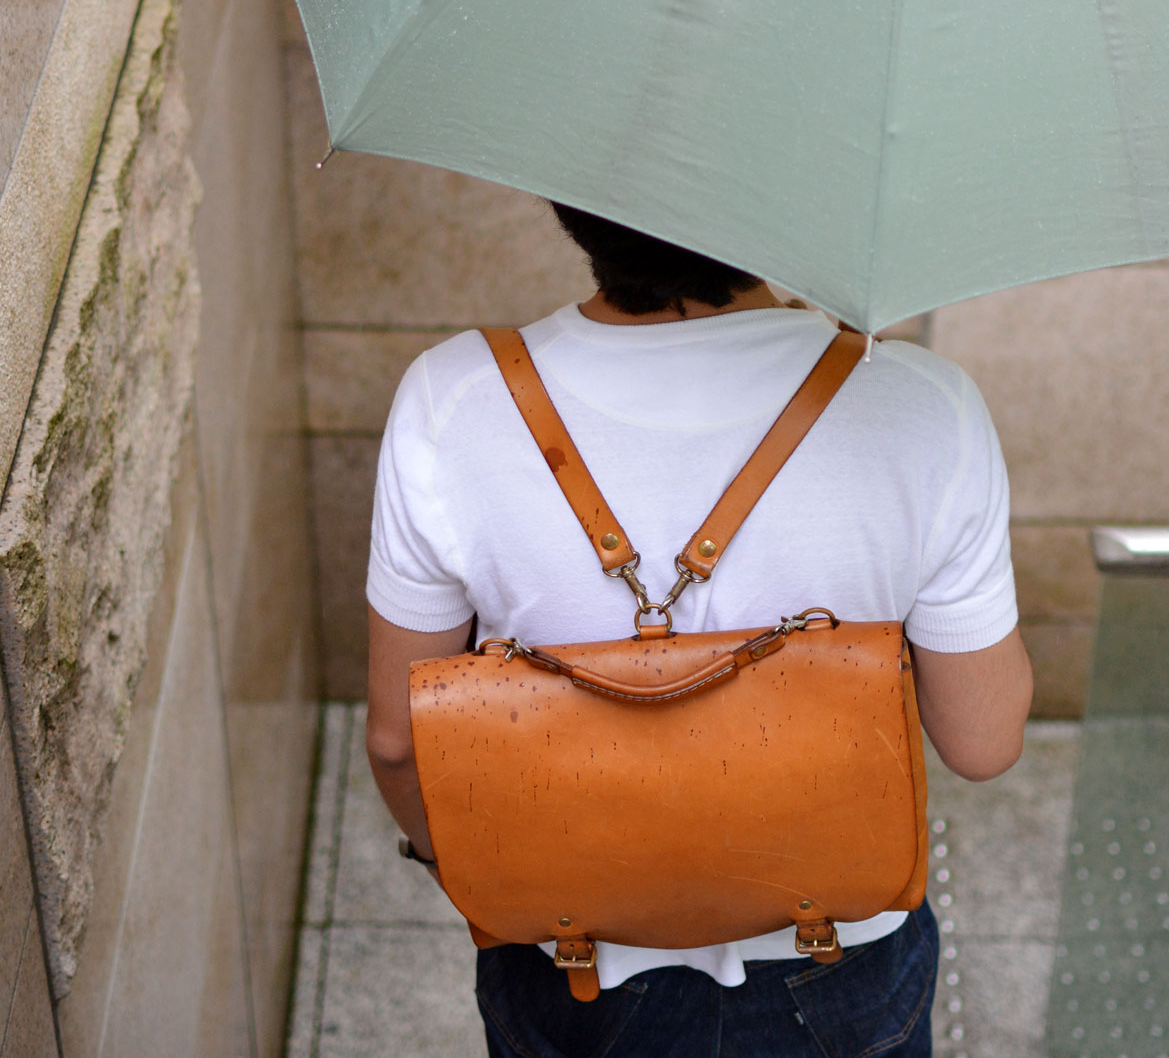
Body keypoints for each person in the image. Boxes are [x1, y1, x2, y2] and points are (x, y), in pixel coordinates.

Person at [364, 202, 1033, 1058]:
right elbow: (983, 741)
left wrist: (474, 871)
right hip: (834, 961)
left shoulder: (452, 398)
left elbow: (395, 740)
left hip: (571, 959)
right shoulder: (920, 405)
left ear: (574, 202)